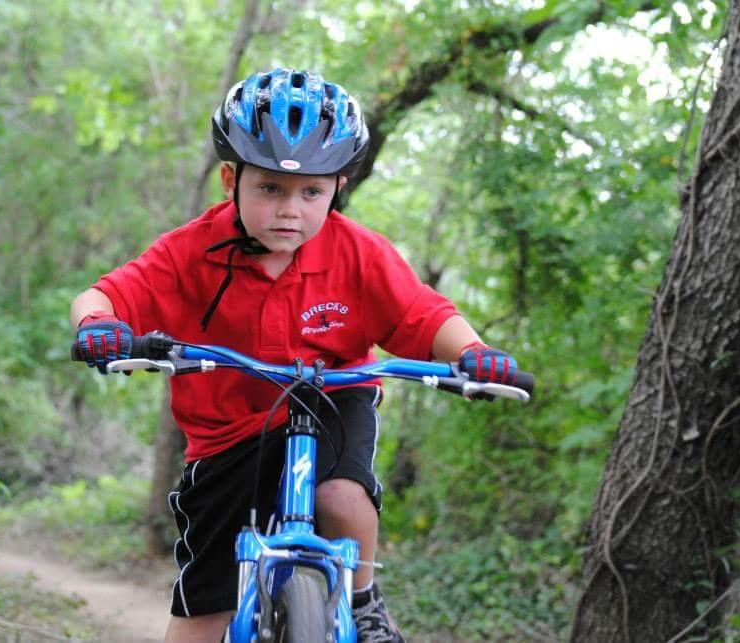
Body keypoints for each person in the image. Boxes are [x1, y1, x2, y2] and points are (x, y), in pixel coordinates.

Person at [70, 68, 522, 643]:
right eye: (270, 190)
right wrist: (99, 325)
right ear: (230, 179)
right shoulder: (189, 252)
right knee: (205, 610)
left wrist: (474, 353)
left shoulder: (357, 252)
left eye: (312, 192)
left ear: (337, 187)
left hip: (333, 399)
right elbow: (103, 295)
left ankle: (362, 601)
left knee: (341, 496)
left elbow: (424, 316)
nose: (292, 210)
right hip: (228, 434)